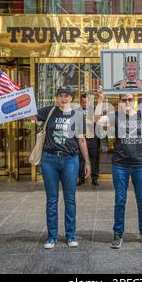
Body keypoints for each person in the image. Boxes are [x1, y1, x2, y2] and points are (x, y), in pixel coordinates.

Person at [94, 84, 142, 249]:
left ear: (134, 101)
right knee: (120, 201)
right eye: (124, 99)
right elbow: (97, 119)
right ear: (120, 101)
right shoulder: (115, 116)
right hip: (120, 165)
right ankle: (118, 234)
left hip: (140, 164)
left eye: (130, 99)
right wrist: (100, 99)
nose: (127, 101)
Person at [30, 86, 91, 249]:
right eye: (60, 95)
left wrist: (87, 162)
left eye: (66, 96)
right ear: (57, 97)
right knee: (52, 200)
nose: (63, 98)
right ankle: (52, 236)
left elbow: (82, 140)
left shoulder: (78, 115)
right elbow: (30, 114)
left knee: (70, 199)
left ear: (71, 98)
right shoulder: (49, 111)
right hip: (49, 160)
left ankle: (71, 235)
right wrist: (10, 108)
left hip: (70, 161)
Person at [77, 94, 101, 187]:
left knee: (94, 159)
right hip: (81, 138)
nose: (84, 104)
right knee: (81, 159)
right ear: (80, 102)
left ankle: (94, 178)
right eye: (82, 102)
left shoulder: (95, 111)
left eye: (86, 102)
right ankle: (81, 178)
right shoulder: (76, 112)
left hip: (93, 139)